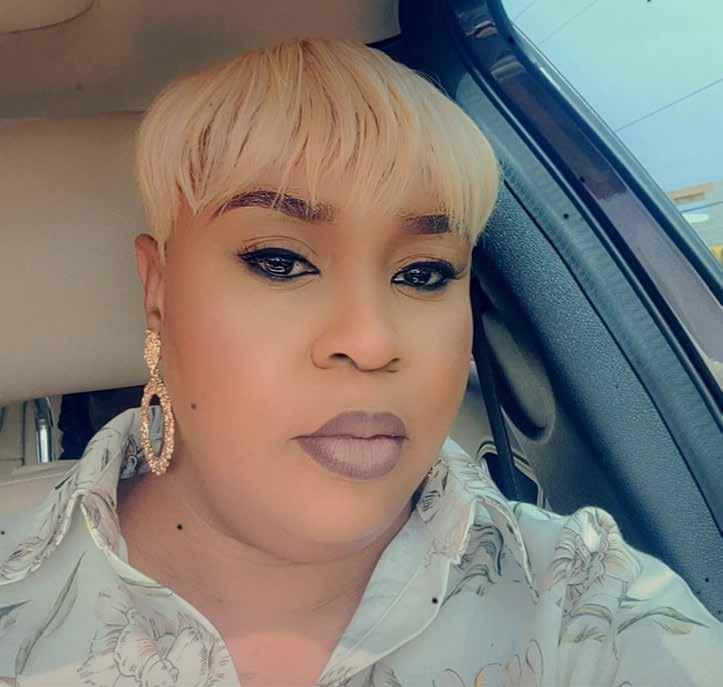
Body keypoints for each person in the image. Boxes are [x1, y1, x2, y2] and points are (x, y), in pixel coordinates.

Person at [0, 37, 721, 687]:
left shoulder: (584, 605)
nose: (373, 343)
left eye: (424, 273)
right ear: (158, 291)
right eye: (280, 261)